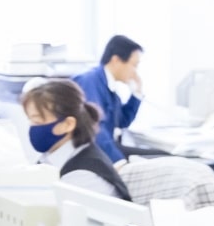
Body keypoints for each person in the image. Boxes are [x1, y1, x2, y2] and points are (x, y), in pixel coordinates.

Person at [21, 79, 132, 200]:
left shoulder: (82, 176)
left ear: (68, 124)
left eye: (37, 121)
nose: (32, 127)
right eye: (30, 120)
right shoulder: (51, 157)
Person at [72, 34, 145, 164]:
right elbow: (95, 131)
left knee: (164, 156)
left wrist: (136, 94)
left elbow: (122, 121)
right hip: (94, 154)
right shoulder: (90, 82)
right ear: (116, 60)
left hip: (106, 149)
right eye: (134, 65)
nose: (135, 72)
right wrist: (121, 163)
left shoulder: (110, 87)